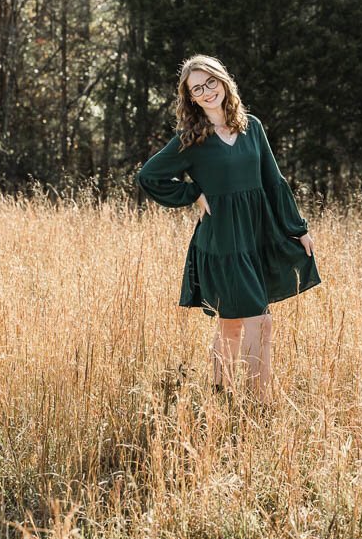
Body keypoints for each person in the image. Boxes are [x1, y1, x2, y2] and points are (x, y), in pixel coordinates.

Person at [136, 54, 321, 405]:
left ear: (223, 82)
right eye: (197, 88)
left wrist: (297, 228)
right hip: (221, 240)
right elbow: (149, 176)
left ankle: (221, 395)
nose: (207, 92)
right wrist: (193, 193)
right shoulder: (192, 139)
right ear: (190, 97)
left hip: (256, 235)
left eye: (211, 83)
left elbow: (273, 180)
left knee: (232, 324)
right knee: (260, 321)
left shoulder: (252, 127)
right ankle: (259, 405)